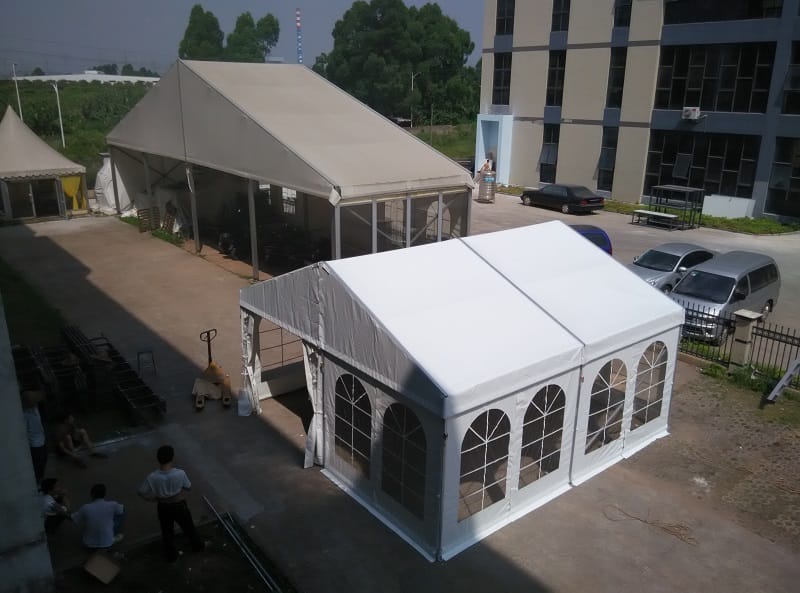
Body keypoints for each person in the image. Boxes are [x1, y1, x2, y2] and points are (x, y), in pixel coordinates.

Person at [138, 445, 204, 562]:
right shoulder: (180, 473)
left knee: (167, 532)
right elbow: (188, 487)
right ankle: (197, 547)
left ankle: (171, 556)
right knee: (189, 528)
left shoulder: (152, 477)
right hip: (179, 505)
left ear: (158, 459)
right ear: (172, 457)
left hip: (163, 507)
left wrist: (153, 499)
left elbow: (141, 492)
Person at [71, 483, 125, 549]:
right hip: (108, 543)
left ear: (92, 494)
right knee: (121, 512)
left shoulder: (85, 508)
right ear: (104, 494)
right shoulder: (113, 504)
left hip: (88, 545)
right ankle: (112, 537)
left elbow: (73, 518)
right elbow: (121, 510)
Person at [22, 390, 48, 484]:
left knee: (43, 460)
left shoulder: (35, 409)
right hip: (35, 444)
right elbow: (25, 431)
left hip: (41, 440)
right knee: (38, 465)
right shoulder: (25, 415)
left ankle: (40, 479)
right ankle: (38, 482)